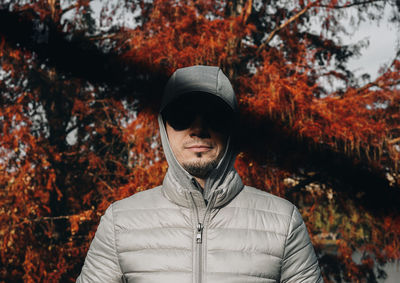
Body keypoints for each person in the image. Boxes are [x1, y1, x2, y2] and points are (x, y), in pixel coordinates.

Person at [76, 65, 323, 283]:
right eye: (182, 116)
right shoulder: (120, 222)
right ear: (164, 127)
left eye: (215, 116)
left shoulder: (283, 222)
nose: (198, 129)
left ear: (232, 129)